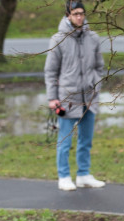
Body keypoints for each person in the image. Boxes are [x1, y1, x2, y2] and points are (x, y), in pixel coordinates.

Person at [45, 1, 106, 191]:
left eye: (82, 13)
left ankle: (83, 174)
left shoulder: (93, 38)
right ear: (68, 15)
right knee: (64, 140)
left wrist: (96, 83)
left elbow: (100, 66)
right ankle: (63, 176)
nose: (79, 17)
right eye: (75, 14)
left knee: (86, 140)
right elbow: (50, 71)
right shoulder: (58, 39)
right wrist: (52, 98)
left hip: (89, 97)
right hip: (67, 98)